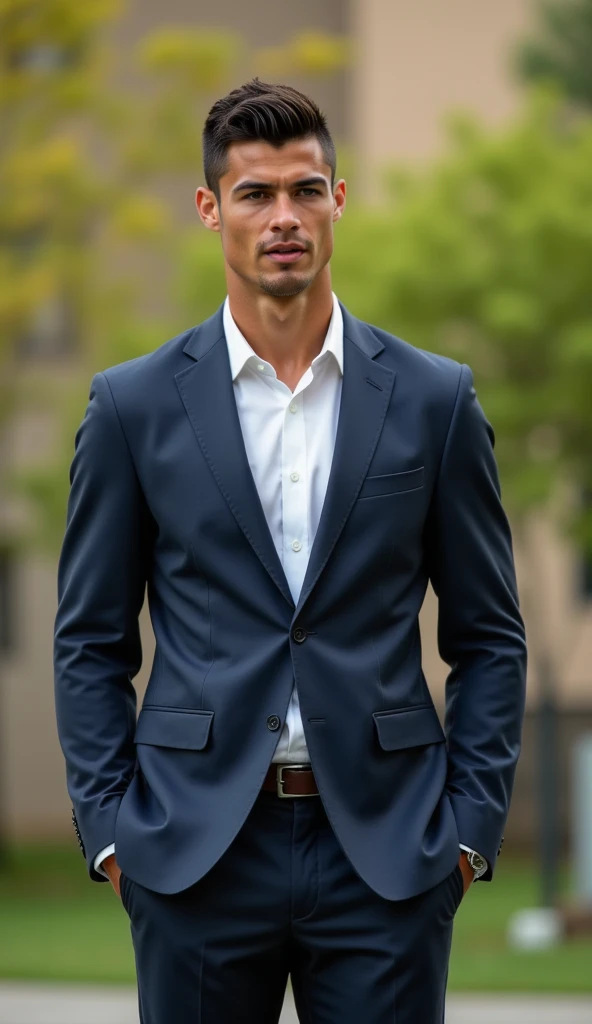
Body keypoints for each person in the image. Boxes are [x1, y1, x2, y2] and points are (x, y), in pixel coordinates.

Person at [54, 79, 527, 1024]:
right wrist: (112, 833)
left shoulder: (435, 401)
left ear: (338, 202)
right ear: (209, 209)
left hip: (389, 853)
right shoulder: (132, 407)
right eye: (255, 194)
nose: (284, 217)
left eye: (307, 191)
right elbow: (89, 641)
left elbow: (489, 636)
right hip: (193, 852)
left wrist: (468, 831)